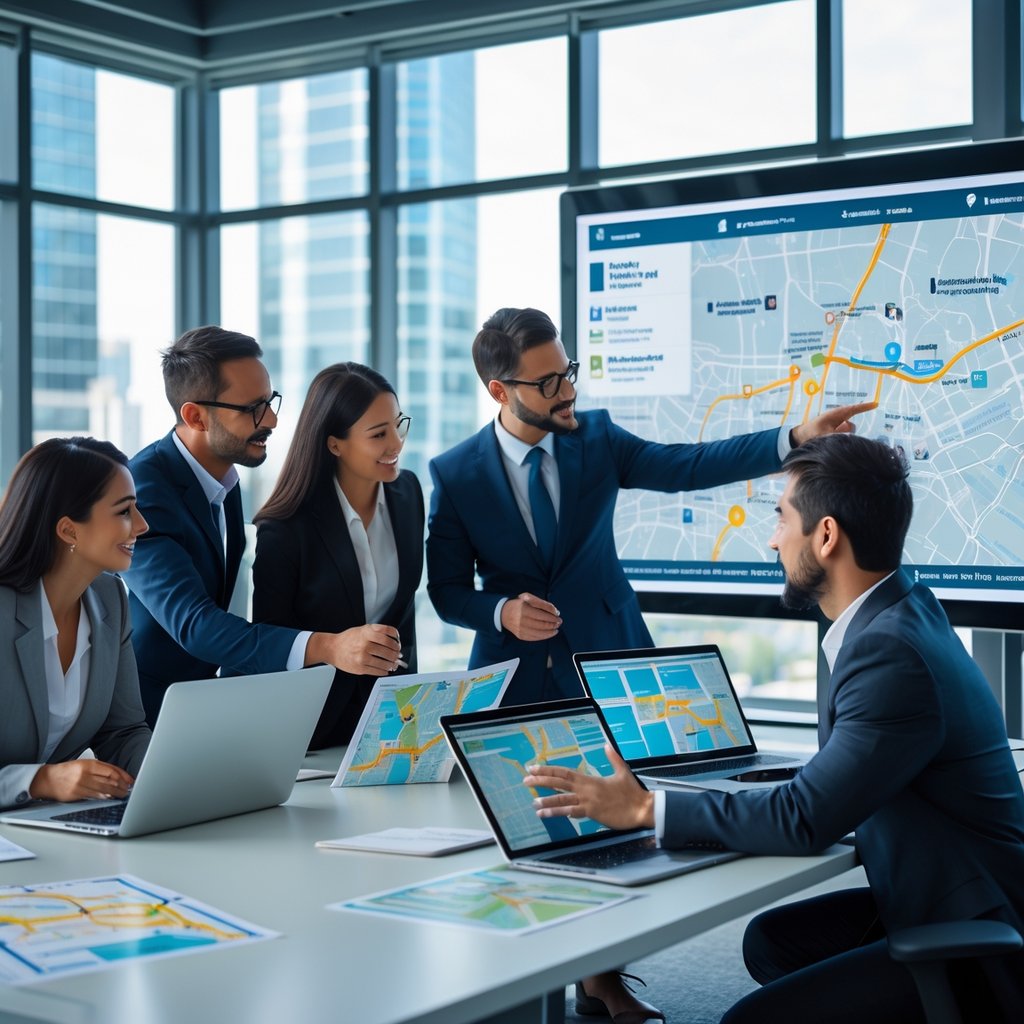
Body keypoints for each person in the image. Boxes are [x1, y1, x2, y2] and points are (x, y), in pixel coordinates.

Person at [525, 434, 1024, 1023]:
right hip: (941, 889)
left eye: (781, 517)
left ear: (827, 535)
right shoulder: (903, 612)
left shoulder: (891, 655)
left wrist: (644, 810)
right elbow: (846, 777)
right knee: (772, 940)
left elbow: (803, 819)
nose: (772, 538)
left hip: (974, 932)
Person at [426, 306, 874, 704]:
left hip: (611, 663)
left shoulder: (597, 438)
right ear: (501, 392)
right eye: (547, 384)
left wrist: (794, 439)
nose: (567, 392)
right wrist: (501, 612)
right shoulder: (456, 474)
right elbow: (446, 591)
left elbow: (688, 465)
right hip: (511, 682)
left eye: (568, 372)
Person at [122, 327, 402, 725]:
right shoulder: (144, 490)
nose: (270, 419)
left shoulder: (224, 478)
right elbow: (196, 624)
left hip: (201, 708)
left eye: (270, 401)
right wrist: (328, 647)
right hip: (147, 715)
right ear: (195, 416)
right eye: (252, 408)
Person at [252, 363, 424, 749]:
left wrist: (411, 707)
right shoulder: (285, 528)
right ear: (335, 444)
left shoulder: (408, 493)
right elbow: (270, 640)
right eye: (379, 434)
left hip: (392, 722)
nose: (396, 444)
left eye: (398, 425)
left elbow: (402, 616)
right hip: (312, 729)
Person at [0, 438, 151, 809]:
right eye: (124, 512)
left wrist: (183, 772)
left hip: (44, 829)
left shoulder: (110, 599)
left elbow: (122, 732)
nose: (143, 526)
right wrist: (40, 779)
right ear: (69, 530)